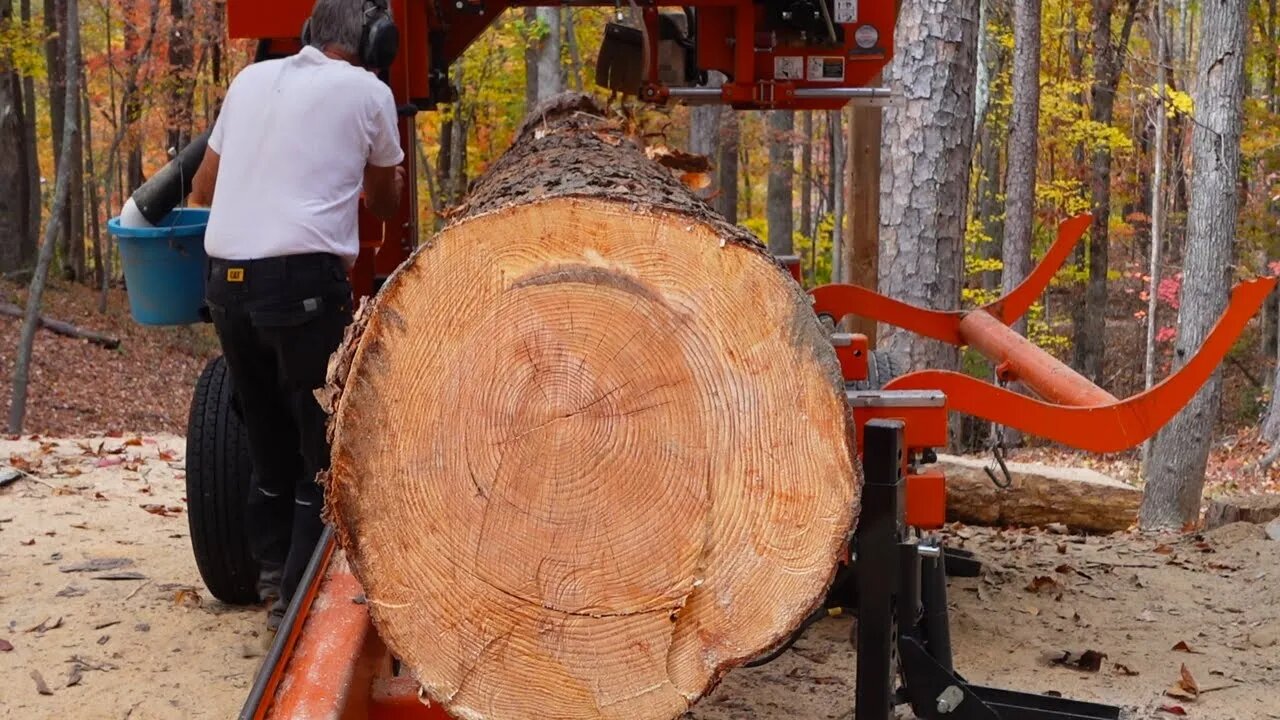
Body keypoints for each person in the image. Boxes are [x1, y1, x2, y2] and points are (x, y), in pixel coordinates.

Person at [189, 0, 405, 630]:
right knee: (321, 442)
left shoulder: (251, 79)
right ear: (375, 41)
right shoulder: (368, 91)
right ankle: (297, 597)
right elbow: (388, 202)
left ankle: (266, 571)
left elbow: (203, 187)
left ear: (310, 33)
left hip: (226, 282)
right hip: (302, 283)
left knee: (265, 434)